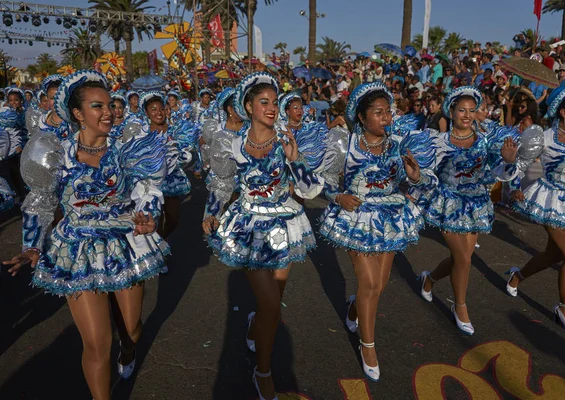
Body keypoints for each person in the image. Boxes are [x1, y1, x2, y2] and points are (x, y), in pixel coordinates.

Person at [3, 70, 169, 400]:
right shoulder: (54, 155)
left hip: (124, 243)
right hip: (76, 248)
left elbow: (147, 189)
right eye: (97, 106)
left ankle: (128, 349)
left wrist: (148, 216)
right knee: (96, 342)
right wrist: (33, 246)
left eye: (109, 105)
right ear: (77, 114)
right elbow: (40, 203)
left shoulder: (126, 151)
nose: (108, 112)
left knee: (132, 328)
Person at [202, 72, 327, 400]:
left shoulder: (286, 139)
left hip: (286, 224)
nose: (272, 108)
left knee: (272, 303)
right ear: (248, 106)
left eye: (274, 102)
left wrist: (295, 159)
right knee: (272, 303)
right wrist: (211, 211)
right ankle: (263, 371)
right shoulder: (232, 142)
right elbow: (221, 181)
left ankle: (257, 325)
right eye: (264, 102)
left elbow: (311, 189)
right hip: (249, 227)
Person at [320, 82, 435, 382]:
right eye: (379, 113)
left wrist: (414, 176)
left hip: (391, 216)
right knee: (369, 283)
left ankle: (355, 312)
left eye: (388, 112)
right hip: (356, 216)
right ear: (361, 117)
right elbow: (326, 179)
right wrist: (338, 197)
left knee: (379, 286)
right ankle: (368, 345)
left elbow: (417, 182)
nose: (386, 118)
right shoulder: (343, 142)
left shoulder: (398, 143)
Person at [418, 86, 518, 335]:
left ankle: (429, 279)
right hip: (448, 204)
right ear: (450, 111)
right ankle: (460, 306)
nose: (466, 115)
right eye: (461, 110)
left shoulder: (486, 141)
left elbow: (499, 175)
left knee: (461, 258)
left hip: (476, 204)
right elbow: (425, 175)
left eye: (472, 110)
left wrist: (508, 161)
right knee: (463, 258)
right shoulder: (437, 141)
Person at [507, 85, 565, 336]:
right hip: (552, 199)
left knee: (554, 255)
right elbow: (527, 165)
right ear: (563, 112)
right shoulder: (544, 137)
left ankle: (518, 276)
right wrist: (517, 184)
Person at [141, 91, 198, 274]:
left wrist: (181, 154)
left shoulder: (175, 131)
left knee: (174, 219)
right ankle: (156, 254)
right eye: (153, 110)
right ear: (147, 113)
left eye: (161, 109)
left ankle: (160, 243)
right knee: (154, 220)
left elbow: (186, 153)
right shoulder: (142, 135)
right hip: (151, 185)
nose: (158, 113)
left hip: (172, 181)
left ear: (167, 111)